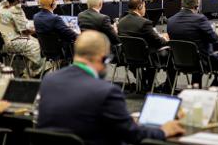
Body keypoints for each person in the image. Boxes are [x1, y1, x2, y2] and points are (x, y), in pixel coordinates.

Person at [37, 30, 184, 145]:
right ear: (101, 57)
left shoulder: (49, 80)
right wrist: (164, 131)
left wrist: (122, 119)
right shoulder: (105, 91)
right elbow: (133, 135)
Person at [167, 0, 218, 88]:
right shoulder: (199, 19)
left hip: (178, 60)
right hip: (200, 61)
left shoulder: (171, 20)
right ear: (197, 5)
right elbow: (215, 39)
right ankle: (213, 91)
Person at [118, 0, 172, 91]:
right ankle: (166, 87)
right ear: (139, 7)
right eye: (144, 6)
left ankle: (145, 82)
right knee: (170, 53)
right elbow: (158, 42)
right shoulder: (144, 23)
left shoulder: (121, 22)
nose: (145, 9)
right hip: (147, 57)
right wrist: (166, 39)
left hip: (128, 56)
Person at [0, 0, 45, 77]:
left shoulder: (1, 7)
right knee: (40, 47)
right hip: (12, 42)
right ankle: (33, 73)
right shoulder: (16, 10)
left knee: (37, 42)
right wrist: (37, 29)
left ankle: (27, 72)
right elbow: (25, 31)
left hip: (2, 42)